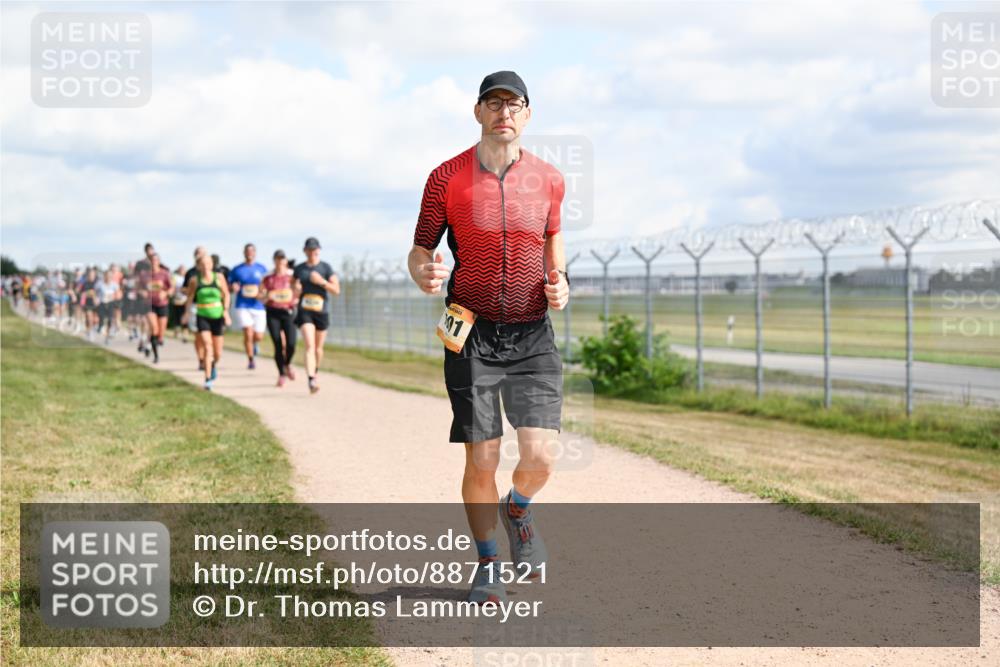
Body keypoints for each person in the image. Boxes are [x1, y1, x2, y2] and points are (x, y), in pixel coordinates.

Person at [407, 71, 569, 605]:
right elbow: (420, 250)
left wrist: (560, 280)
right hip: (470, 332)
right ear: (477, 112)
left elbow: (553, 240)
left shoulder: (549, 178)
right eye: (493, 103)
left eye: (514, 103)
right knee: (481, 459)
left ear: (527, 114)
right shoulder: (445, 178)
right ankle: (489, 562)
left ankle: (518, 508)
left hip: (532, 333)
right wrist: (423, 272)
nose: (504, 112)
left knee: (541, 457)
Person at [292, 237, 339, 394]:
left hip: (321, 311)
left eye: (315, 249)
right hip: (305, 311)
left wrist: (321, 281)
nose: (312, 252)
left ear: (319, 250)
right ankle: (311, 379)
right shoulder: (299, 269)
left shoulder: (326, 268)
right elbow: (293, 288)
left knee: (318, 349)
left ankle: (315, 371)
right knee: (310, 346)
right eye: (309, 249)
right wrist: (296, 288)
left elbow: (336, 290)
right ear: (305, 251)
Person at [182, 253, 231, 390]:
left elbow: (226, 294)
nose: (205, 267)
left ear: (212, 264)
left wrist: (226, 311)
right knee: (208, 346)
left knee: (217, 353)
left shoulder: (219, 277)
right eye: (202, 264)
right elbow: (190, 298)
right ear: (198, 266)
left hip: (218, 316)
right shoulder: (194, 280)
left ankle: (213, 365)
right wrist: (186, 313)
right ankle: (208, 378)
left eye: (208, 263)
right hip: (202, 315)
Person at [260, 249, 298, 387]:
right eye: (278, 258)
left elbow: (299, 290)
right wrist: (266, 297)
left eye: (282, 258)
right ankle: (281, 373)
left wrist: (296, 299)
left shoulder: (292, 276)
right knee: (277, 343)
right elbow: (260, 296)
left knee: (291, 344)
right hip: (273, 312)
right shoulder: (267, 277)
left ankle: (287, 364)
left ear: (286, 261)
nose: (280, 261)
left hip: (288, 312)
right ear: (274, 260)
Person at [229, 243, 268, 369]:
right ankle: (251, 359)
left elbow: (267, 286)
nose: (249, 253)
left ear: (255, 253)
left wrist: (262, 293)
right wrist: (233, 287)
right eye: (247, 251)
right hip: (242, 305)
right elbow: (229, 285)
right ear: (244, 253)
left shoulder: (262, 268)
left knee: (258, 336)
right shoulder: (237, 269)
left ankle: (255, 344)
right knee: (248, 333)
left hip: (258, 305)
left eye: (252, 251)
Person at [139, 253, 173, 363]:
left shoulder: (164, 274)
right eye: (151, 260)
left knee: (160, 333)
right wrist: (142, 292)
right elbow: (138, 288)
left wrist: (166, 293)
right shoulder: (144, 275)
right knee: (154, 328)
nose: (153, 262)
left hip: (162, 304)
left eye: (155, 260)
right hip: (149, 305)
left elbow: (171, 289)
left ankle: (150, 344)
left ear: (159, 261)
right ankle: (156, 355)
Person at [183, 247, 208, 369]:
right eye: (198, 254)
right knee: (198, 335)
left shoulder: (213, 273)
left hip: (210, 308)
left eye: (202, 254)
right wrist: (190, 291)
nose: (200, 256)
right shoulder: (191, 273)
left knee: (207, 337)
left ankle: (208, 358)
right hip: (195, 306)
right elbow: (184, 289)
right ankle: (201, 359)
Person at [96, 269, 122, 344]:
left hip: (110, 303)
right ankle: (100, 326)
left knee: (110, 320)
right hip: (102, 303)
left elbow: (119, 294)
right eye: (106, 276)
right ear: (104, 276)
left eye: (110, 276)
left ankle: (107, 338)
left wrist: (114, 295)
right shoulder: (99, 284)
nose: (108, 277)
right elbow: (95, 292)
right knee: (101, 318)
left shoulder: (114, 284)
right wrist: (96, 298)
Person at [169, 264, 188, 342]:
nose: (182, 271)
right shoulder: (175, 277)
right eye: (181, 269)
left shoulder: (187, 278)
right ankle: (176, 332)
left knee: (185, 318)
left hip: (185, 301)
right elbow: (172, 286)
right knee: (177, 318)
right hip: (177, 300)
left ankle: (185, 335)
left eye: (183, 269)